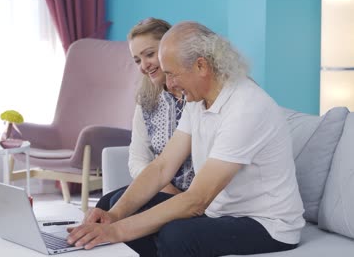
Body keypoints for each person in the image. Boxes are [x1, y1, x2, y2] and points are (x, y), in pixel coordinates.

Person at [67, 21, 305, 257]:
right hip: (218, 212)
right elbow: (162, 167)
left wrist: (116, 232)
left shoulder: (246, 107)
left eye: (171, 74)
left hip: (267, 224)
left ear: (201, 65)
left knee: (176, 235)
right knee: (117, 202)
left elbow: (197, 200)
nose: (169, 84)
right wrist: (114, 217)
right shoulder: (197, 100)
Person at [95, 18, 195, 211]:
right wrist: (162, 186)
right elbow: (137, 159)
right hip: (161, 186)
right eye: (137, 60)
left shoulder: (196, 94)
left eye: (149, 54)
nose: (144, 65)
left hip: (198, 193)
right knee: (105, 203)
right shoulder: (147, 100)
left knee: (117, 207)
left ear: (170, 48)